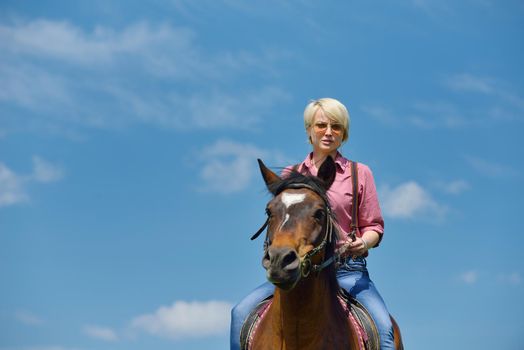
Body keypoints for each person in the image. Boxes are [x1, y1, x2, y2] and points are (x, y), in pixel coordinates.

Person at [230, 98, 395, 349]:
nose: (328, 132)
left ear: (344, 133)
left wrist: (362, 242)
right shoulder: (290, 175)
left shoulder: (359, 173)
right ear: (309, 130)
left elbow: (374, 227)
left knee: (384, 330)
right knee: (240, 313)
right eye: (321, 125)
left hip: (348, 271)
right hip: (298, 271)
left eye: (336, 126)